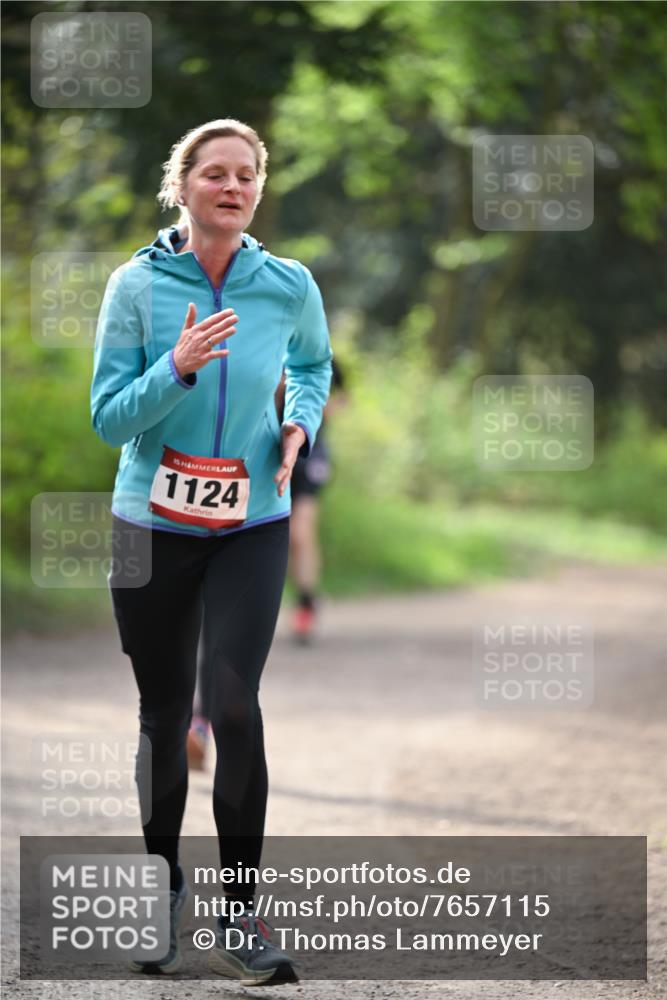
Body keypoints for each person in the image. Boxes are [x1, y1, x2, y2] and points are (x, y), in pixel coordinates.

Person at [91, 118, 332, 985]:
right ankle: (162, 893)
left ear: (257, 190)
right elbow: (108, 418)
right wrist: (177, 367)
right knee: (163, 716)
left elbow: (314, 365)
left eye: (246, 175)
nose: (232, 187)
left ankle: (239, 915)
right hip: (150, 524)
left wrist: (298, 424)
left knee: (233, 705)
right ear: (181, 185)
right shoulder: (136, 286)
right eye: (215, 173)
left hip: (251, 522)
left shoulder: (287, 283)